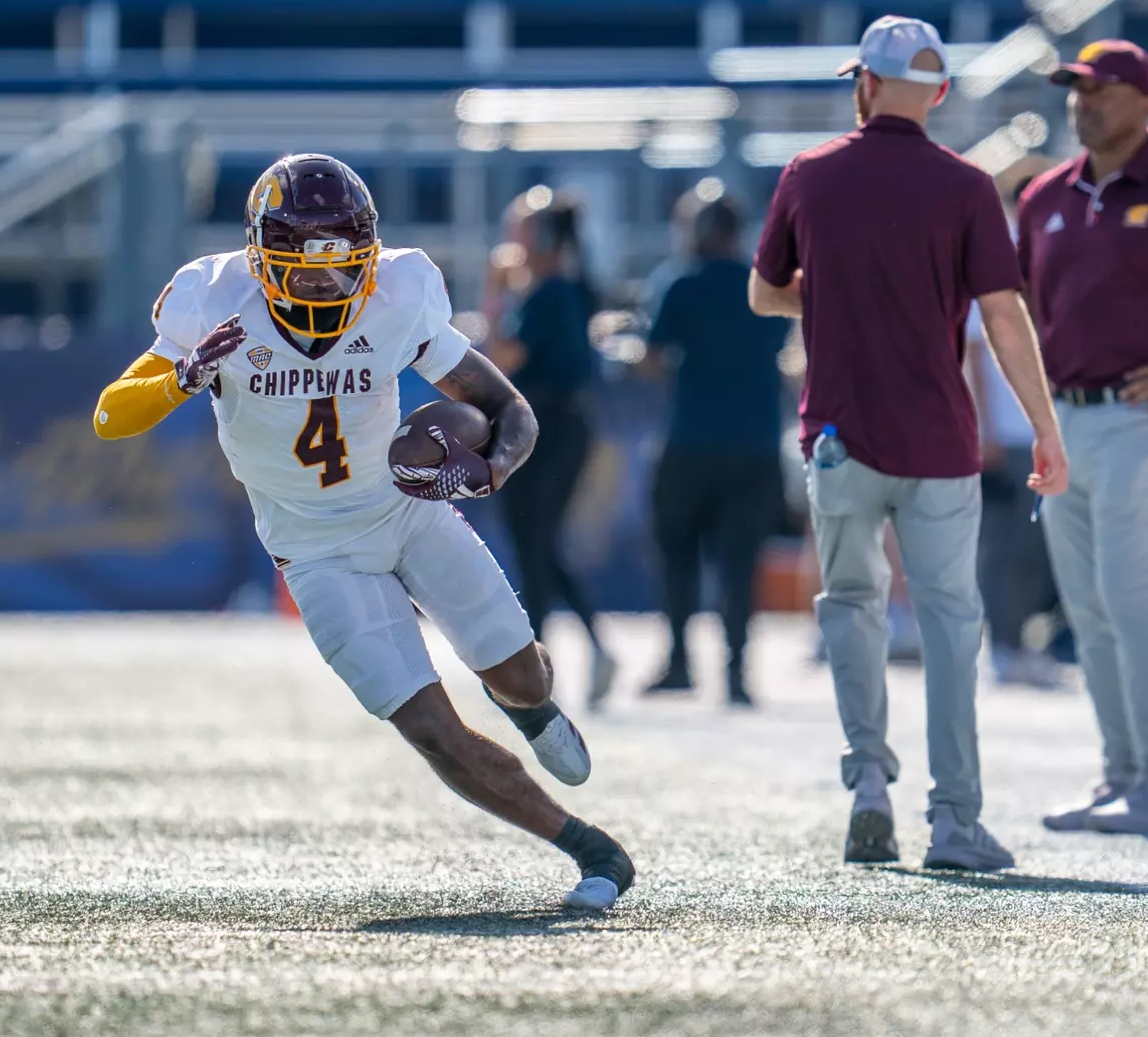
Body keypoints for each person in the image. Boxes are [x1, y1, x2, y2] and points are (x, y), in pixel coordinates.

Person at [92, 154, 634, 909]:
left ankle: (535, 712)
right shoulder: (212, 300)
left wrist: (486, 473)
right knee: (431, 728)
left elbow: (511, 412)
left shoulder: (397, 293)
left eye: (342, 265)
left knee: (520, 676)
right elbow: (111, 414)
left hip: (407, 511)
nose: (321, 282)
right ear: (257, 256)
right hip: (316, 553)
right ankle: (590, 848)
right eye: (299, 265)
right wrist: (179, 379)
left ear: (369, 255)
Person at [749, 16, 1068, 871]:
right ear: (940, 93)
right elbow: (1004, 317)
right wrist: (1044, 429)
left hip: (841, 438)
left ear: (863, 83)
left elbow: (764, 293)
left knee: (852, 610)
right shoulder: (965, 187)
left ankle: (868, 786)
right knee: (952, 626)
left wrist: (833, 295)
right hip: (938, 441)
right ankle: (956, 821)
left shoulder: (809, 176)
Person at [1017, 41, 1148, 835]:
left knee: (1133, 595)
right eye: (1075, 90)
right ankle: (1123, 774)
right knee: (1087, 605)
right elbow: (1016, 312)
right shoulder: (1043, 194)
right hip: (1064, 420)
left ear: (1144, 101)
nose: (1082, 102)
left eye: (1101, 90)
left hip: (1146, 416)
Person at [640, 187, 789, 707]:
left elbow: (653, 357)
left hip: (691, 441)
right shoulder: (763, 285)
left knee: (678, 554)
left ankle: (680, 662)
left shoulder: (680, 282)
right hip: (756, 443)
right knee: (740, 563)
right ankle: (736, 673)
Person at [485, 187, 618, 711]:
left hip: (549, 427)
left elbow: (505, 357)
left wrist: (494, 293)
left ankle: (538, 668)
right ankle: (567, 653)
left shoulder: (546, 294)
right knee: (538, 543)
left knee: (534, 542)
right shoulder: (564, 287)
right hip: (564, 425)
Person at [966, 164, 1065, 689]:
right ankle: (1001, 646)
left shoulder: (1043, 246)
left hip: (1041, 424)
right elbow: (979, 348)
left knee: (1039, 547)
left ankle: (1022, 641)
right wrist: (982, 428)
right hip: (1006, 430)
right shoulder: (1000, 247)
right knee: (1006, 547)